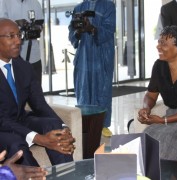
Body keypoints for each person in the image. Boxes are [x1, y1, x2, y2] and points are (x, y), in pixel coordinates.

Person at [0, 18, 75, 166]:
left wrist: (63, 128)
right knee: (16, 143)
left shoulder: (24, 68)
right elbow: (2, 120)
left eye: (19, 35)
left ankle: (67, 175)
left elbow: (39, 104)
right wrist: (39, 138)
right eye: (11, 36)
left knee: (54, 125)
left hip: (20, 120)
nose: (18, 41)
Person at [68, 0, 116, 137]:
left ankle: (103, 124)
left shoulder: (109, 6)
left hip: (102, 54)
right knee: (83, 89)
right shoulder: (78, 8)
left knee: (102, 89)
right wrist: (78, 32)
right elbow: (71, 32)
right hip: (83, 56)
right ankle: (84, 123)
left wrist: (92, 29)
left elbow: (109, 29)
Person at [137, 26, 177, 162]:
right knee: (148, 134)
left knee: (171, 139)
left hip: (171, 120)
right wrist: (146, 108)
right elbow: (151, 95)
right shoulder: (159, 66)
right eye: (159, 41)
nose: (158, 46)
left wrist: (163, 121)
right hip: (171, 116)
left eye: (163, 43)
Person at [0, 0, 44, 84]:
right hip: (12, 57)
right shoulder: (4, 2)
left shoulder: (35, 3)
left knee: (36, 89)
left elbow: (40, 25)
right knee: (16, 90)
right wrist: (18, 29)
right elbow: (2, 27)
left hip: (34, 56)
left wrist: (35, 29)